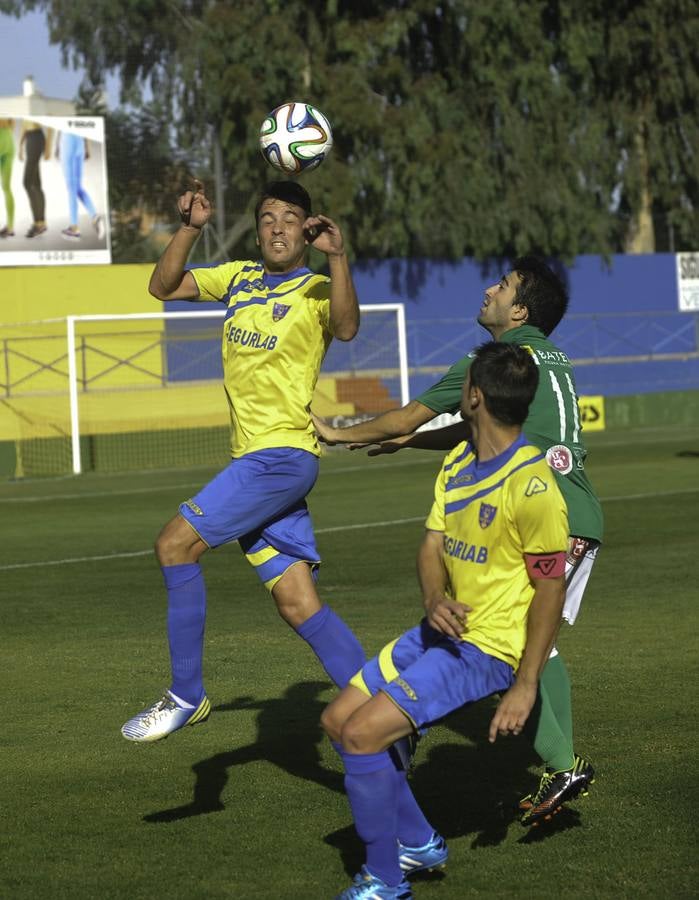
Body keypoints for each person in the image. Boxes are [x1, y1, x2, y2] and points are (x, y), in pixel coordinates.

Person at [313, 257, 601, 825]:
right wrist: (413, 443)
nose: (490, 289)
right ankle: (558, 762)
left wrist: (339, 433)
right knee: (530, 638)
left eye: (504, 285)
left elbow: (407, 417)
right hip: (572, 509)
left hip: (543, 512)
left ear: (519, 311)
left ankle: (557, 761)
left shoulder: (491, 360)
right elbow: (477, 426)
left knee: (515, 639)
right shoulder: (549, 356)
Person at [321, 341, 569, 899]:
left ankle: (385, 882)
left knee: (361, 735)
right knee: (338, 720)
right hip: (439, 629)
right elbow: (432, 545)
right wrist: (434, 597)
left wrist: (525, 683)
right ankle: (416, 842)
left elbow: (551, 589)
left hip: (486, 648)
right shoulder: (458, 462)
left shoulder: (532, 484)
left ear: (474, 396)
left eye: (463, 383)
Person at [121, 179, 366, 742]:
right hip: (256, 459)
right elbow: (163, 286)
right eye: (267, 218)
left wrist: (338, 258)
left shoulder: (317, 288)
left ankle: (186, 695)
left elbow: (348, 327)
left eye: (290, 218)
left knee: (174, 545)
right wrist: (190, 228)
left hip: (280, 457)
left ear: (307, 231)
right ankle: (385, 707)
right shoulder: (238, 277)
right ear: (257, 232)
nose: (277, 228)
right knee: (298, 603)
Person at [55, 130, 105, 240]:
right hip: (80, 142)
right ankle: (95, 216)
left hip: (68, 140)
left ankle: (74, 228)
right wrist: (87, 146)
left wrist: (57, 145)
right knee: (78, 187)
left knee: (71, 189)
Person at [18, 120, 52, 238]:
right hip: (29, 139)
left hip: (36, 138)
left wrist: (48, 147)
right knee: (36, 185)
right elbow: (24, 124)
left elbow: (50, 123)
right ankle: (41, 223)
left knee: (27, 183)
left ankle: (39, 223)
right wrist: (20, 145)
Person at [0, 118, 16, 238]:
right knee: (7, 188)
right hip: (9, 139)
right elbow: (13, 122)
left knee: (6, 188)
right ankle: (10, 227)